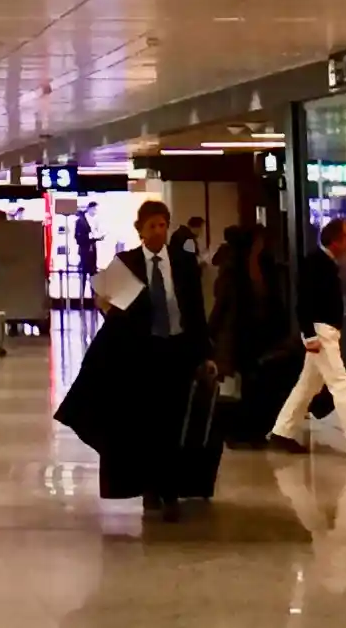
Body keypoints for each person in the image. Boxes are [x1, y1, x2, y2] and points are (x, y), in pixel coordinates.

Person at [54, 199, 215, 520]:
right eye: (152, 225)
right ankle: (151, 488)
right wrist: (105, 306)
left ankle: (170, 491)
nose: (159, 231)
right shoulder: (125, 263)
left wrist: (204, 354)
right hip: (142, 355)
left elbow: (195, 311)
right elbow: (112, 308)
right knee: (146, 423)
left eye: (163, 225)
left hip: (176, 351)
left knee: (172, 423)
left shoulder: (183, 263)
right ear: (139, 229)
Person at [270, 219, 346, 459]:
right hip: (321, 332)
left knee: (308, 385)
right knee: (341, 383)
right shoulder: (317, 264)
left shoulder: (322, 263)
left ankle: (282, 430)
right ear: (336, 240)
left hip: (323, 331)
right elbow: (304, 301)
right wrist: (309, 334)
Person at [208, 225, 294, 448]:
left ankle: (253, 430)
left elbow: (274, 300)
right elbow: (223, 305)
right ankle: (242, 432)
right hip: (241, 333)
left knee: (259, 382)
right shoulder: (234, 269)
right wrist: (211, 334)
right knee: (246, 383)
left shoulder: (266, 266)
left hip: (263, 333)